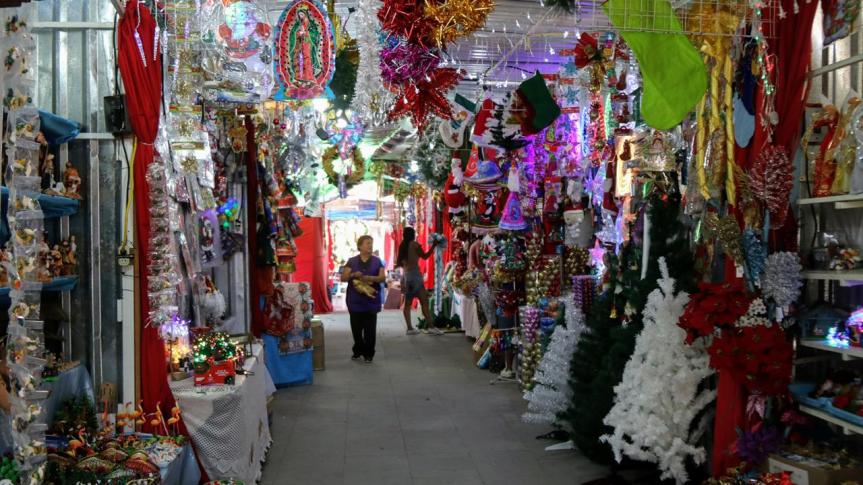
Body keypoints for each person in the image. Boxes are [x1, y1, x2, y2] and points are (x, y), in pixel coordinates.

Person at [341, 235, 385, 364]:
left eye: (371, 243)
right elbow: (343, 277)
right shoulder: (351, 261)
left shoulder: (378, 261)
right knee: (356, 328)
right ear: (360, 246)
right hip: (355, 300)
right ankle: (358, 349)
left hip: (371, 300)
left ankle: (369, 354)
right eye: (367, 243)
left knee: (370, 328)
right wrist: (354, 275)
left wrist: (370, 278)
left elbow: (382, 278)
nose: (370, 246)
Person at [396, 227, 442, 336]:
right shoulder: (414, 245)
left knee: (407, 304)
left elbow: (399, 263)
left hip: (406, 276)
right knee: (424, 302)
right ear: (412, 234)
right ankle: (431, 327)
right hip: (415, 276)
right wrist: (434, 246)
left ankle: (410, 328)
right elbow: (425, 256)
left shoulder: (402, 246)